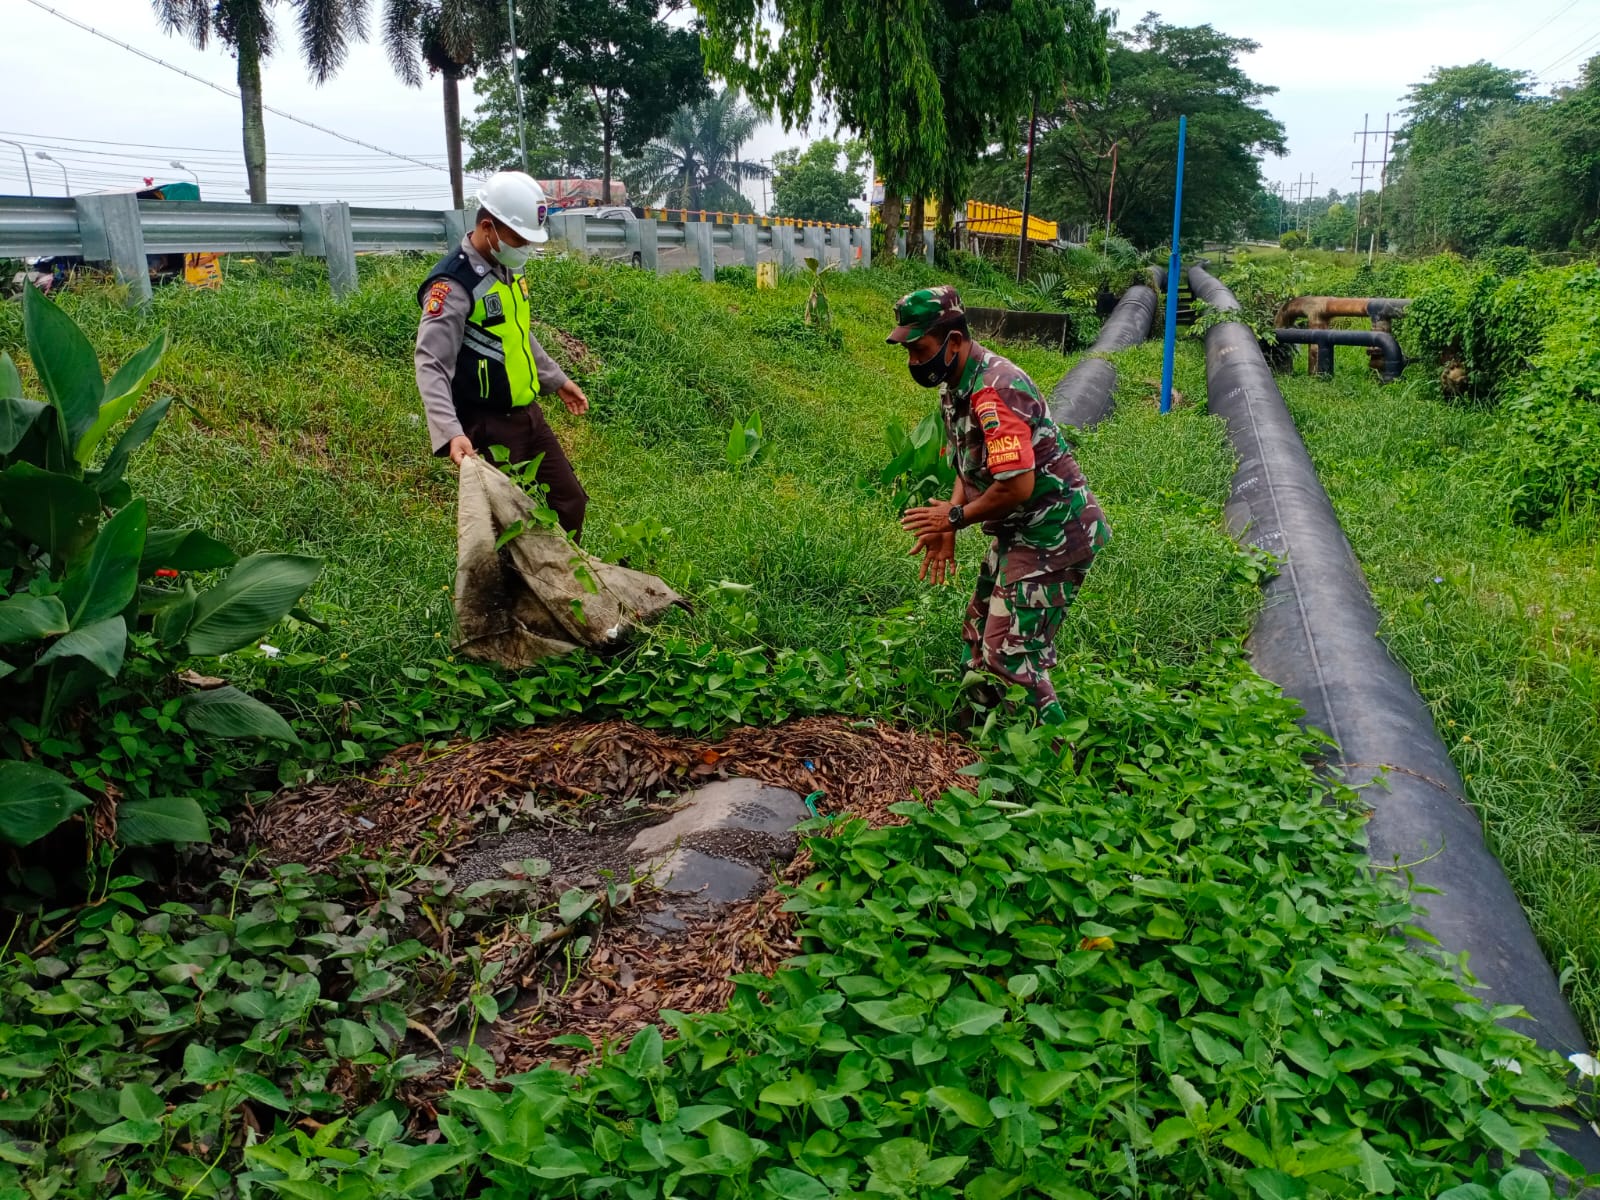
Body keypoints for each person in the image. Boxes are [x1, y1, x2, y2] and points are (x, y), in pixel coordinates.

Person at [891, 285, 1110, 725]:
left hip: (1054, 532)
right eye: (909, 352)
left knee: (1009, 652)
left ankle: (1049, 754)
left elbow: (1016, 487)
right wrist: (951, 524)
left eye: (921, 350)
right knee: (978, 630)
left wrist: (953, 517)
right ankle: (988, 728)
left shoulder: (997, 391)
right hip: (1018, 529)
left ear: (953, 342)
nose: (915, 362)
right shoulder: (956, 384)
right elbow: (966, 463)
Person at [414, 171, 593, 539]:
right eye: (518, 237)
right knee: (506, 525)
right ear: (487, 227)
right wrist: (449, 432)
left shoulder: (508, 269)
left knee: (569, 502)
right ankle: (512, 593)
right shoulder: (453, 285)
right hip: (486, 424)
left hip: (529, 417)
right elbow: (431, 363)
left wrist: (556, 379)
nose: (525, 246)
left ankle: (562, 585)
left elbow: (517, 334)